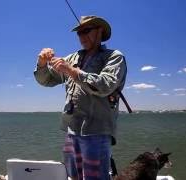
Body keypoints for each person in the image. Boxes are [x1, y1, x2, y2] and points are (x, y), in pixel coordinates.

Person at [34, 15, 127, 180]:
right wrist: (42, 63)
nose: (82, 36)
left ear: (100, 31)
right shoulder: (72, 58)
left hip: (97, 132)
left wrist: (71, 70)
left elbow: (105, 85)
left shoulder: (114, 57)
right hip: (72, 131)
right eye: (79, 33)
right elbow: (46, 80)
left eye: (86, 31)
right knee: (73, 176)